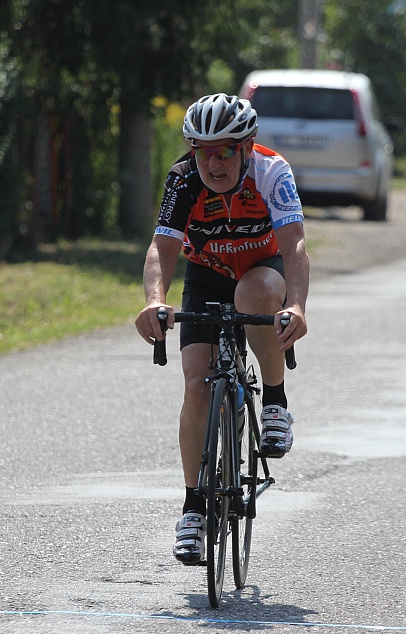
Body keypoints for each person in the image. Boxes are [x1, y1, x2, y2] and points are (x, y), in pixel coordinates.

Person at [134, 93, 310, 565]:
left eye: (226, 150)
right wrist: (155, 300)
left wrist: (295, 305)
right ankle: (193, 508)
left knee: (253, 296)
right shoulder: (184, 178)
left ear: (247, 147)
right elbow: (162, 248)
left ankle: (274, 402)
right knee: (196, 383)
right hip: (208, 274)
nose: (213, 161)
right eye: (203, 150)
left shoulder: (273, 172)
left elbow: (294, 247)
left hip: (260, 269)